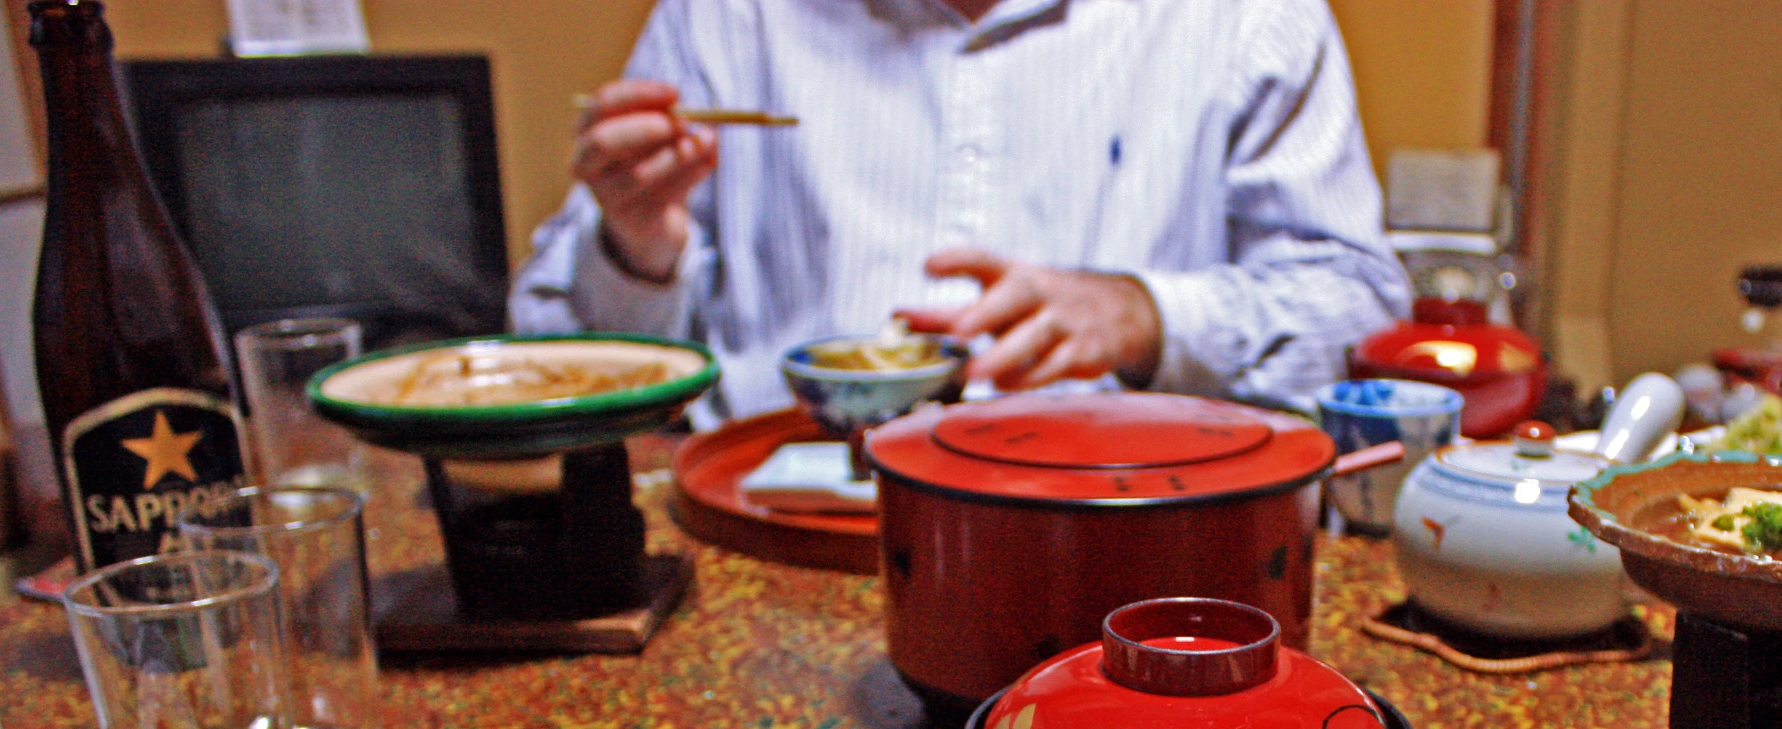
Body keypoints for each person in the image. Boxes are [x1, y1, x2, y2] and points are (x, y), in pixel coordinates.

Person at [509, 0, 1411, 421]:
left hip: (1122, 549)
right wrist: (636, 249)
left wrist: (1149, 316)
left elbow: (1361, 311)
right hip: (761, 536)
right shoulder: (728, 17)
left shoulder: (1246, 18)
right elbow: (547, 349)